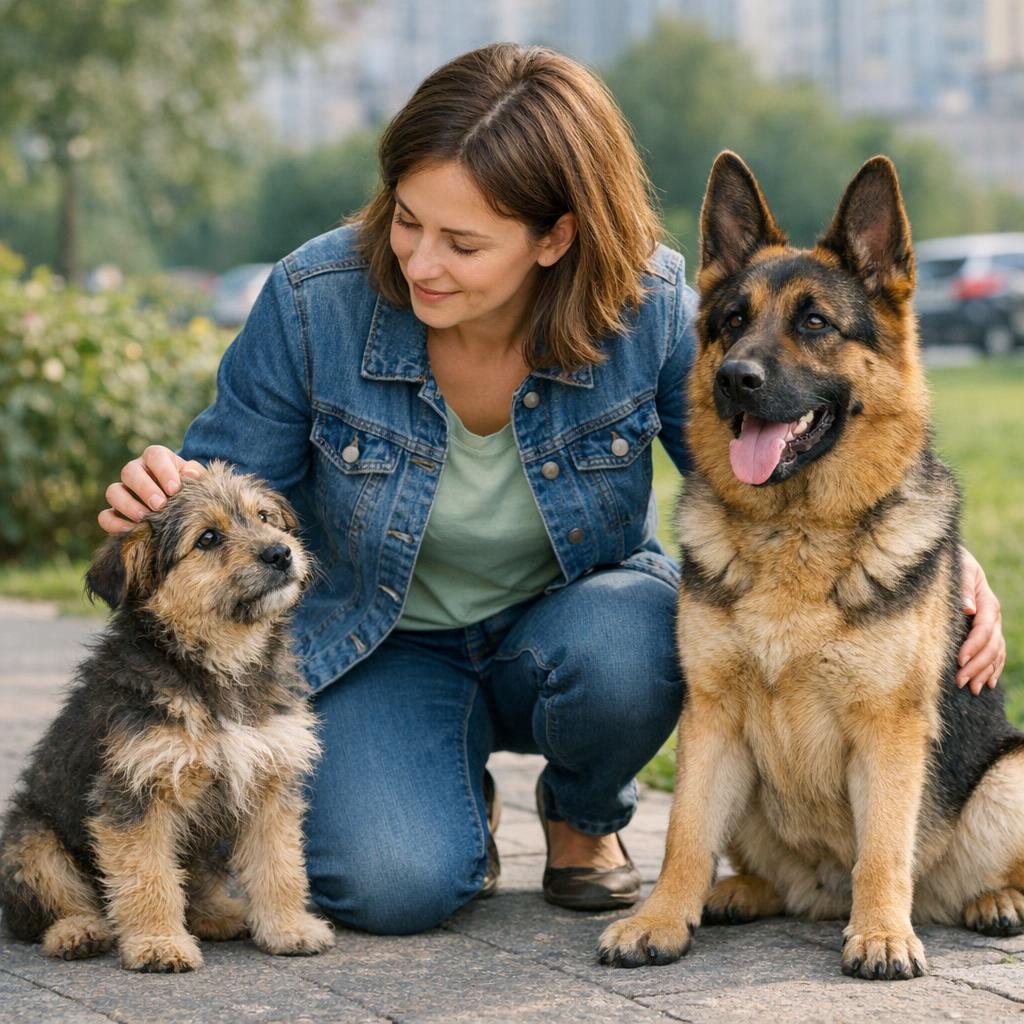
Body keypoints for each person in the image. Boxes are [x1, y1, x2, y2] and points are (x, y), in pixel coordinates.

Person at [99, 43, 1007, 935]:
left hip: (573, 630)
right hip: (382, 644)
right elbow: (218, 484)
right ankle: (449, 783)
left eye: (462, 242)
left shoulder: (645, 305)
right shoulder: (312, 298)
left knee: (640, 637)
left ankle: (583, 813)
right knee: (393, 887)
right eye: (406, 219)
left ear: (556, 237)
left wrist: (930, 555)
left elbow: (759, 473)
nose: (419, 261)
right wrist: (155, 490)